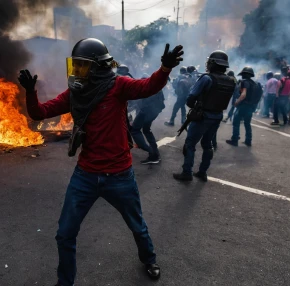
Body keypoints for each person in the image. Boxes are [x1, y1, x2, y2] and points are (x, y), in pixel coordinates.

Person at [18, 38, 184, 286]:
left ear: (97, 67)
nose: (77, 71)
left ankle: (149, 259)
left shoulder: (118, 86)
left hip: (120, 176)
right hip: (85, 175)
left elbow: (148, 87)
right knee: (64, 235)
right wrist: (30, 92)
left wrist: (165, 69)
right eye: (76, 66)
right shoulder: (75, 93)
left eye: (82, 66)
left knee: (137, 226)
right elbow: (39, 113)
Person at [173, 51, 236, 182]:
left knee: (190, 144)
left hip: (202, 116)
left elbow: (191, 97)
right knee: (207, 144)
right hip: (217, 115)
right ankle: (202, 172)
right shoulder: (231, 81)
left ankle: (187, 173)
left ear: (213, 63)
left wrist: (194, 107)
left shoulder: (207, 78)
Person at [226, 67, 260, 147]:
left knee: (236, 122)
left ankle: (234, 140)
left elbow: (243, 94)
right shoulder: (254, 83)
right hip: (251, 106)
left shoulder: (244, 82)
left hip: (243, 105)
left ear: (244, 74)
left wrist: (236, 102)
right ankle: (248, 141)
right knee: (247, 123)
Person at [131, 89, 165, 164]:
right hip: (154, 111)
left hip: (146, 111)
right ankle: (154, 155)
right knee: (146, 130)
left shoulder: (148, 83)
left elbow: (142, 100)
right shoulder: (157, 85)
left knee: (134, 130)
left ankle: (151, 151)